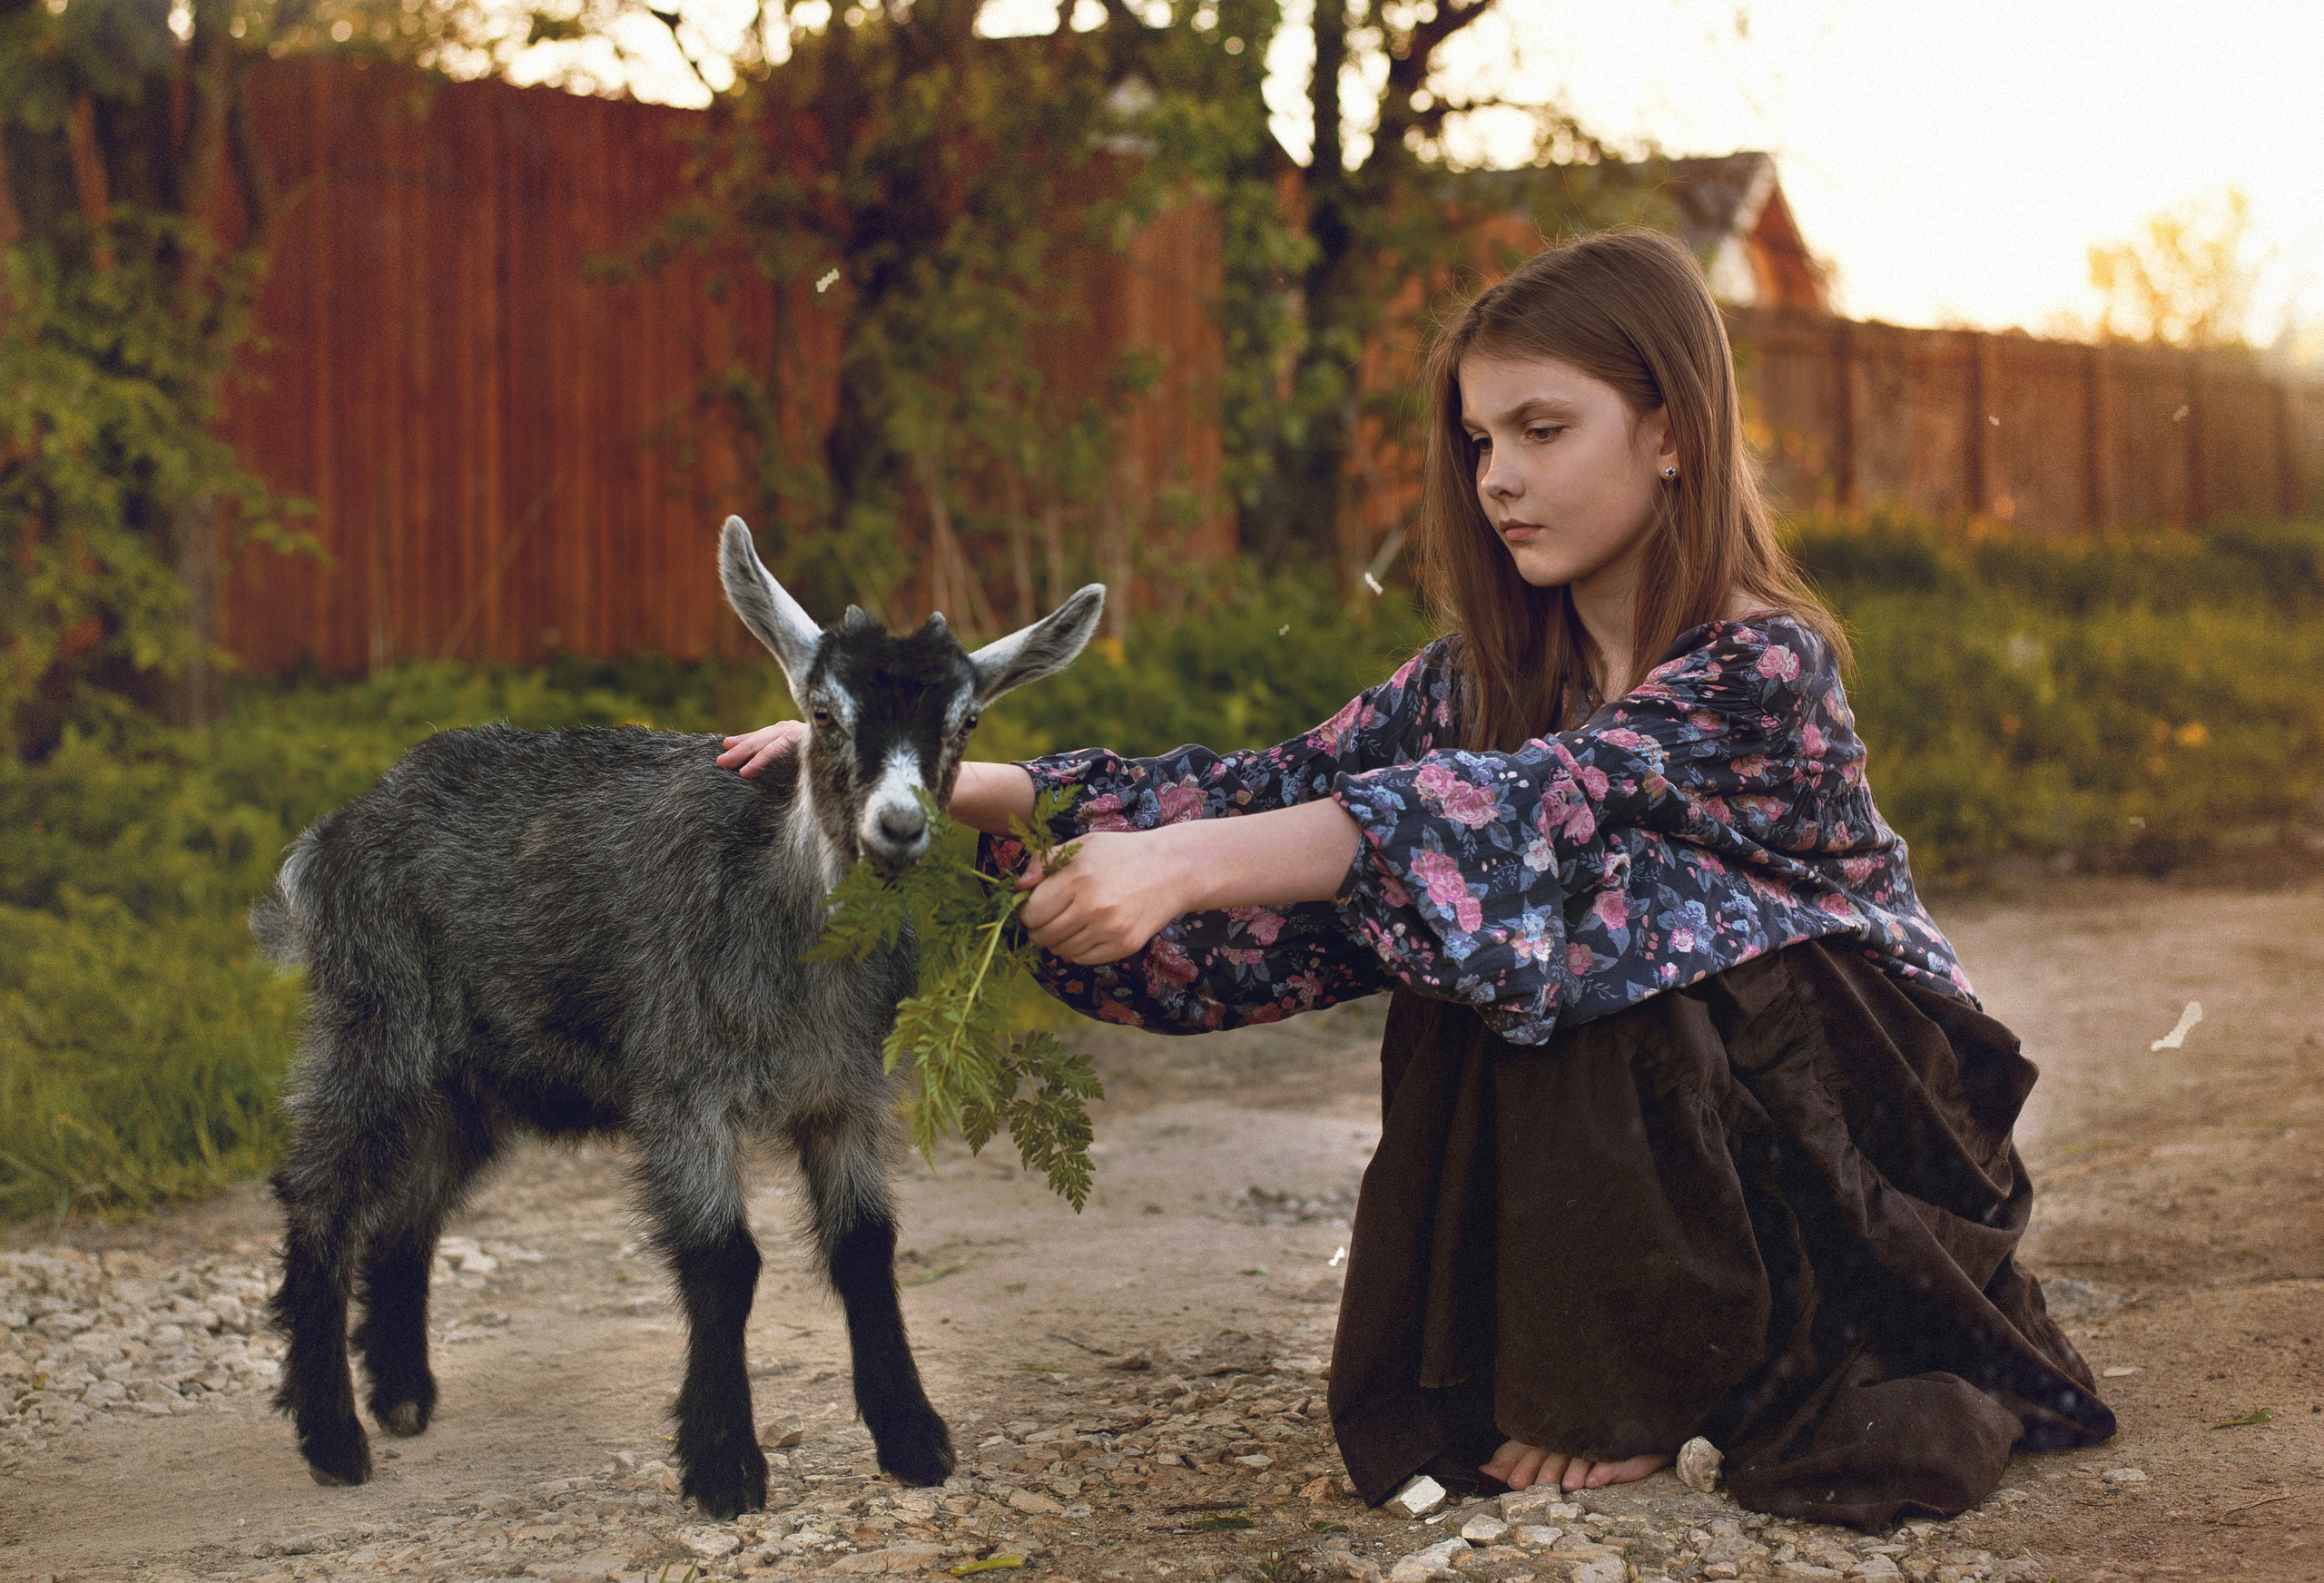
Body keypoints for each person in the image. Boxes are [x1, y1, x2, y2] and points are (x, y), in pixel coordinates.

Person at [716, 229, 2115, 1529]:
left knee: (1552, 906)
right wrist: (926, 776)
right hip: (1696, 1111)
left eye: (1543, 431)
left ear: (1674, 433)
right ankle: (1568, 1355)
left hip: (1866, 1124)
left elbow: (1511, 813)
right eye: (1479, 439)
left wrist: (1189, 869)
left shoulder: (1765, 666)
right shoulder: (1495, 675)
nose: (1496, 475)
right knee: (1479, 926)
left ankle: (1641, 1375)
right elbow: (1278, 784)